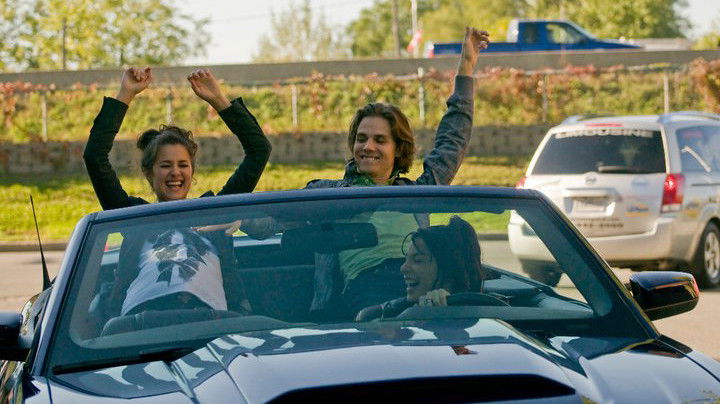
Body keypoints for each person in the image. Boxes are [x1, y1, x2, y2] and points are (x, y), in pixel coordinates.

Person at [243, 26, 489, 318]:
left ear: (398, 148)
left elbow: (452, 141)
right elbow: (270, 219)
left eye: (380, 140)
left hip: (419, 284)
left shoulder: (417, 193)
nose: (368, 146)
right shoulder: (328, 195)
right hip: (365, 292)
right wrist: (237, 216)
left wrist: (466, 66)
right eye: (361, 139)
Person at [84, 67, 271, 325]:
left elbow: (259, 150)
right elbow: (94, 157)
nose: (175, 172)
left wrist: (219, 99)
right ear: (149, 173)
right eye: (165, 165)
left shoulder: (215, 211)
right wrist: (125, 94)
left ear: (192, 171)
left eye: (183, 165)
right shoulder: (133, 216)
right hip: (140, 324)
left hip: (212, 324)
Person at [355, 216, 489, 321]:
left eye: (418, 260)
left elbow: (462, 348)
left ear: (449, 269)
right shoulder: (391, 314)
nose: (403, 268)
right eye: (406, 259)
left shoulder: (493, 311)